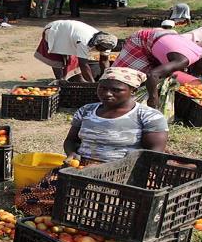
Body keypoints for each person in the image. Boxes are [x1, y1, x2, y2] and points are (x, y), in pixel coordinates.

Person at [15, 67, 168, 215]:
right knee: (25, 199)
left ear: (133, 91)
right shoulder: (87, 110)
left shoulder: (148, 116)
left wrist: (115, 170)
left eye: (116, 90)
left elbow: (153, 153)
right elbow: (71, 140)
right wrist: (72, 153)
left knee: (108, 207)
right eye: (102, 88)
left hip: (123, 173)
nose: (107, 94)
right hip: (81, 169)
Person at [114, 28, 202, 108]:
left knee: (161, 74)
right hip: (142, 40)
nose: (200, 74)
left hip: (163, 38)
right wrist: (153, 99)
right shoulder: (183, 60)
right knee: (127, 76)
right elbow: (153, 74)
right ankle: (110, 95)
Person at [34, 20, 117, 83]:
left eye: (104, 49)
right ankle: (60, 81)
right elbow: (83, 64)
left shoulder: (108, 42)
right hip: (55, 30)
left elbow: (104, 60)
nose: (103, 50)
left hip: (71, 33)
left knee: (72, 60)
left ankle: (75, 79)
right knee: (57, 57)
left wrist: (105, 77)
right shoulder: (84, 41)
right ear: (96, 43)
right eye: (101, 48)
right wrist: (93, 84)